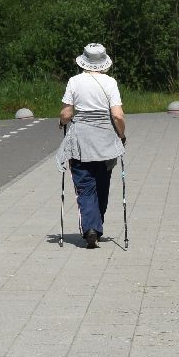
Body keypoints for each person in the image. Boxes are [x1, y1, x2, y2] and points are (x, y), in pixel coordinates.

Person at [57, 43, 126, 249]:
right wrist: (122, 135)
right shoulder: (110, 82)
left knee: (85, 187)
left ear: (84, 61)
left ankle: (90, 229)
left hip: (81, 141)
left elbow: (67, 113)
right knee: (102, 185)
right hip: (105, 140)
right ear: (103, 62)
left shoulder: (74, 81)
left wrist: (61, 122)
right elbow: (117, 115)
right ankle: (96, 225)